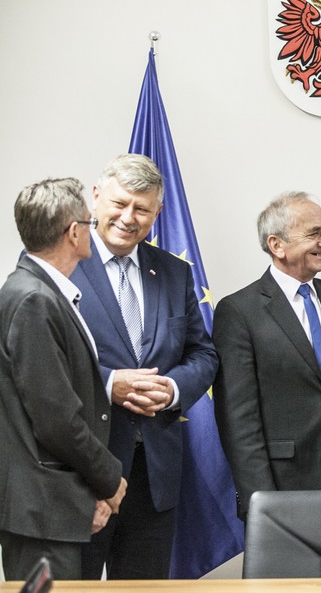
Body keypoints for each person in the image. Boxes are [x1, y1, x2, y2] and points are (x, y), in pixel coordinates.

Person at [70, 154, 218, 579]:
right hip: (81, 471)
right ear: (95, 198)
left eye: (142, 208)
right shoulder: (61, 263)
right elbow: (39, 359)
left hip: (155, 474)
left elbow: (203, 354)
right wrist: (109, 383)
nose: (128, 217)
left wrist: (171, 389)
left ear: (158, 212)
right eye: (119, 204)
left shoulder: (173, 272)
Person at [213, 192, 321, 522]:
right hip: (280, 491)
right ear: (277, 245)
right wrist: (261, 501)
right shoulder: (239, 312)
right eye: (315, 233)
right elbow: (238, 421)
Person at [0, 178, 127, 580]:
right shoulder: (34, 299)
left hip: (50, 508)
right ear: (74, 233)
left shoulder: (34, 291)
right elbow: (56, 417)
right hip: (41, 513)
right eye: (89, 223)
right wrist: (110, 480)